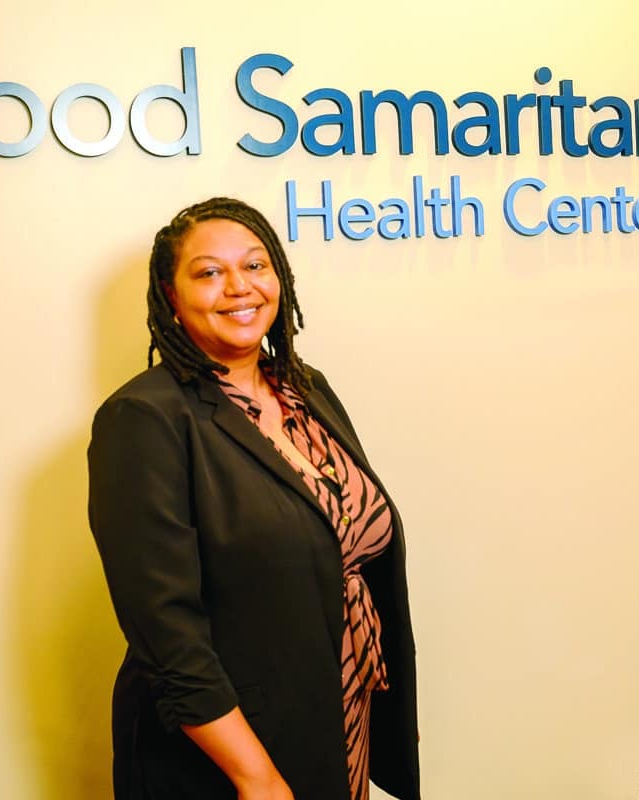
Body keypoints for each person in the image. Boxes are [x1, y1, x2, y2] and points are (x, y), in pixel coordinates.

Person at [87, 197, 420, 800]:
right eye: (209, 272)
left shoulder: (305, 388)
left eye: (256, 266)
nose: (239, 288)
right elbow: (167, 635)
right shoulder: (142, 419)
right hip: (229, 751)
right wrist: (256, 776)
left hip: (336, 709)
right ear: (170, 294)